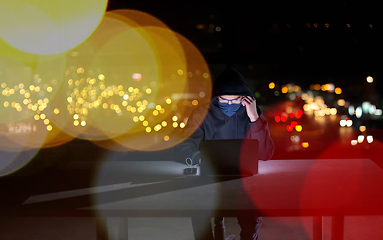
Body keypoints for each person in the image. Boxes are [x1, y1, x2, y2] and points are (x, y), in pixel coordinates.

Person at [178, 67, 275, 240]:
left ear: (244, 99)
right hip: (208, 178)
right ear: (216, 97)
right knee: (201, 213)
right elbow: (185, 145)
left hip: (244, 180)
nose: (229, 105)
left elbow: (266, 153)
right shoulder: (202, 114)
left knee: (250, 216)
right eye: (224, 99)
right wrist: (197, 158)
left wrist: (254, 118)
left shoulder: (252, 114)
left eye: (235, 100)